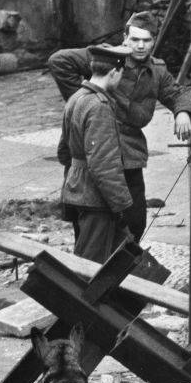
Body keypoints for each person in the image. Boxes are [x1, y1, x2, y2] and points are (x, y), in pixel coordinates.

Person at [48, 11, 191, 241]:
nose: (139, 46)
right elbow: (59, 61)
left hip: (129, 154)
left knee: (134, 223)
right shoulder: (108, 57)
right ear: (125, 37)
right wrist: (87, 99)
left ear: (153, 41)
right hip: (93, 150)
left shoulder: (156, 71)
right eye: (135, 39)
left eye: (146, 40)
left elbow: (178, 93)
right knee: (90, 228)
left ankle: (125, 273)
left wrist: (183, 112)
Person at [58, 44, 141, 263]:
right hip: (96, 198)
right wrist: (123, 205)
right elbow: (104, 165)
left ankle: (131, 297)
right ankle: (76, 298)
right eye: (121, 74)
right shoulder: (99, 106)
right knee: (89, 265)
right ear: (114, 72)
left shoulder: (76, 98)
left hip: (77, 189)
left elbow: (63, 152)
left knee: (122, 256)